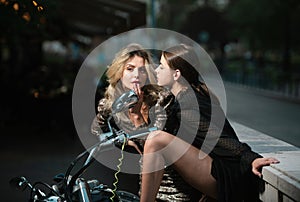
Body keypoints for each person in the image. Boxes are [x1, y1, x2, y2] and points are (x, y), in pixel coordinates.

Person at [140, 44, 280, 202]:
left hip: (222, 175)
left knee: (156, 139)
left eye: (162, 66)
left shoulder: (188, 103)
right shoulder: (190, 94)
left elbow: (217, 136)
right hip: (214, 169)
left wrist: (250, 157)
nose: (156, 70)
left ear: (176, 74)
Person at [91, 43, 202, 201]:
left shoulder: (161, 100)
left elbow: (155, 143)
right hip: (138, 181)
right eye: (130, 69)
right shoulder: (109, 104)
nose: (136, 75)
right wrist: (124, 140)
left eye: (142, 70)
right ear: (119, 72)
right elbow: (97, 130)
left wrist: (137, 116)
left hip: (171, 184)